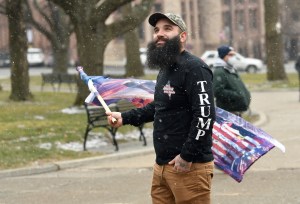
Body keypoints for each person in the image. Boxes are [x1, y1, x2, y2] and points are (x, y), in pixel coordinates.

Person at [106, 12, 215, 204]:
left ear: (182, 36)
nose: (159, 34)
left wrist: (186, 156)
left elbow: (205, 115)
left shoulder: (195, 68)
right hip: (162, 167)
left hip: (189, 168)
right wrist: (125, 117)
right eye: (156, 30)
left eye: (167, 29)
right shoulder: (165, 69)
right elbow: (159, 107)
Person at [212, 45, 251, 117]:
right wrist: (237, 95)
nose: (233, 57)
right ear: (223, 56)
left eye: (234, 55)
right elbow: (217, 91)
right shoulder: (220, 71)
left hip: (237, 111)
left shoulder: (231, 69)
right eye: (230, 55)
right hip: (228, 112)